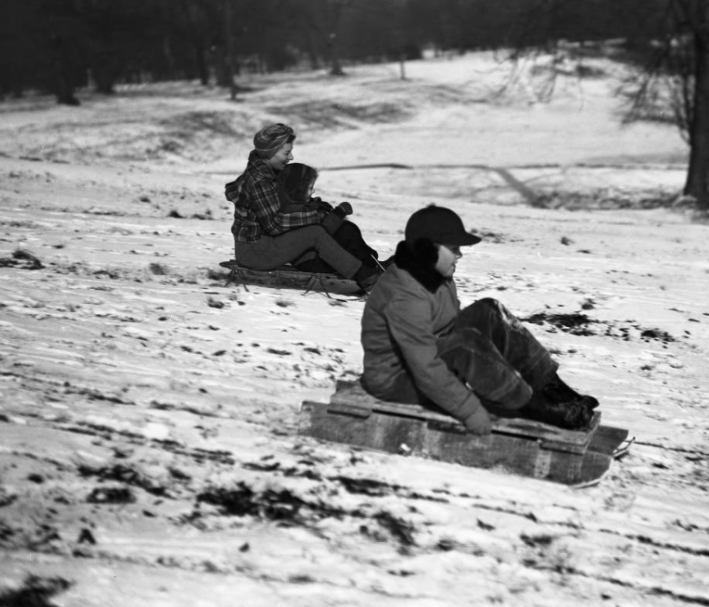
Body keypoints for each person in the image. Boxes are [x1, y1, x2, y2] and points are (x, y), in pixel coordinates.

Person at [359, 205, 599, 436]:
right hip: (397, 380)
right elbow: (426, 368)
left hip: (425, 357)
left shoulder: (432, 274)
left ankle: (554, 389)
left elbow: (449, 324)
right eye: (454, 248)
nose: (460, 254)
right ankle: (540, 408)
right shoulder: (406, 297)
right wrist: (471, 411)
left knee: (488, 310)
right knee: (466, 343)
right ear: (427, 249)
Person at [224, 123, 383, 292]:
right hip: (255, 252)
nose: (291, 157)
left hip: (261, 246)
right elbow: (274, 224)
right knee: (314, 233)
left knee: (324, 231)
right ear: (270, 152)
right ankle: (367, 277)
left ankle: (368, 269)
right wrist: (316, 216)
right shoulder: (259, 181)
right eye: (286, 152)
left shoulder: (266, 175)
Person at [275, 162, 382, 273]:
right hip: (311, 262)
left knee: (348, 230)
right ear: (298, 190)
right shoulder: (291, 212)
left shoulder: (298, 206)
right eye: (310, 188)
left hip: (319, 255)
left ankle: (371, 262)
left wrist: (323, 209)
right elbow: (321, 232)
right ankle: (370, 266)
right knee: (347, 231)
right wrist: (337, 214)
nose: (313, 191)